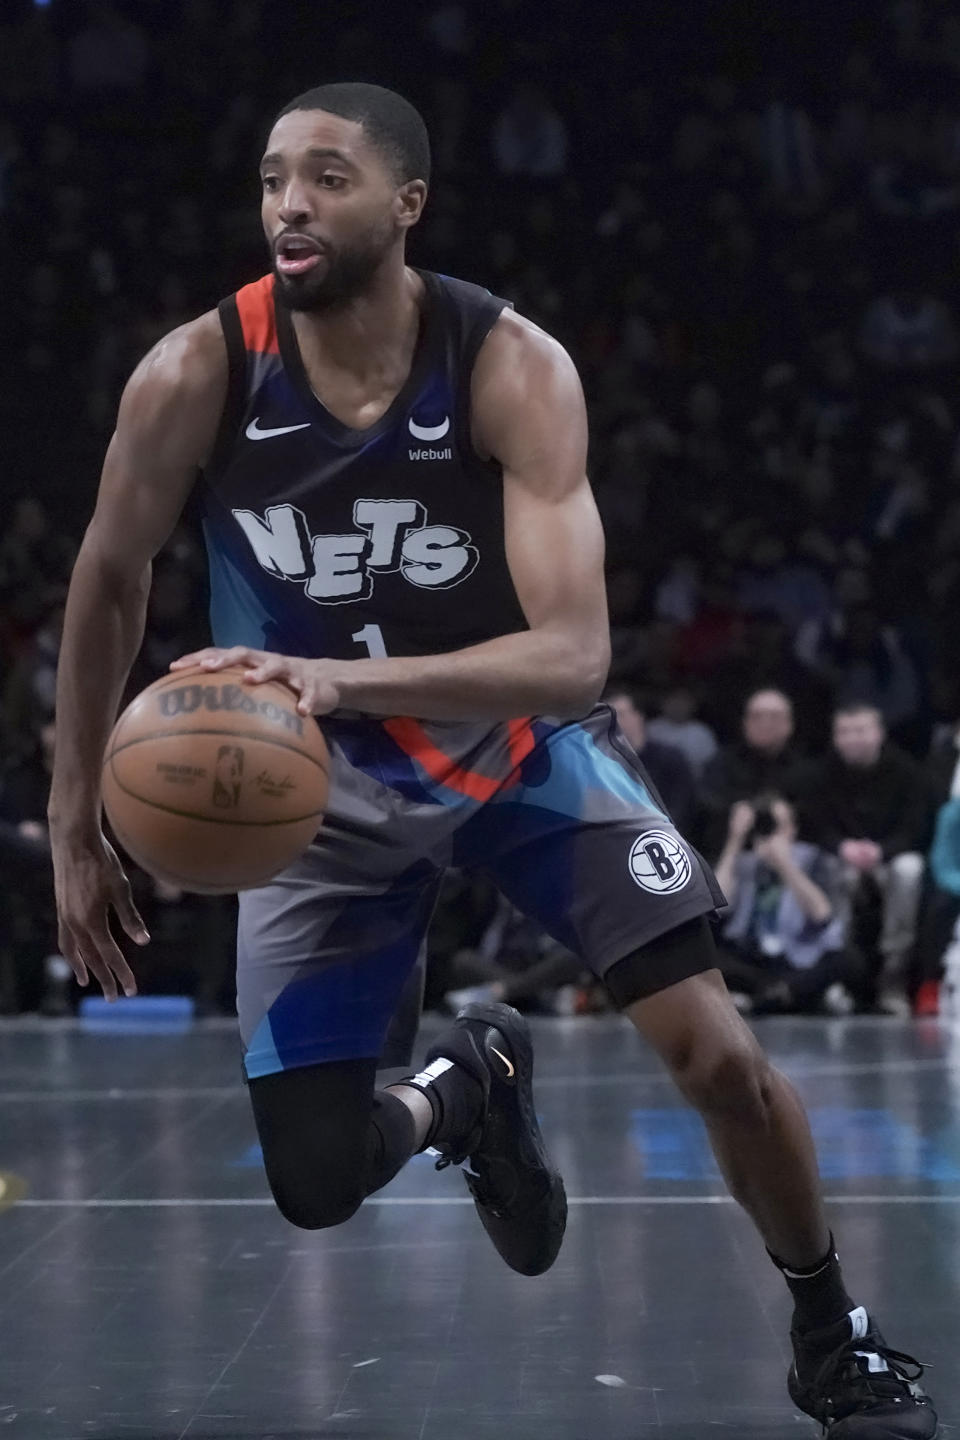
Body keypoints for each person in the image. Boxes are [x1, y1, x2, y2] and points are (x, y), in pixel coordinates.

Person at [47, 83, 935, 1434]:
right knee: (316, 1179)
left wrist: (341, 675)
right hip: (313, 795)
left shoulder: (511, 365)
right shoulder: (197, 372)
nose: (289, 202)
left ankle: (833, 1330)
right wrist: (70, 823)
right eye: (274, 178)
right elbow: (109, 578)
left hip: (517, 754)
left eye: (327, 177)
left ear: (407, 203)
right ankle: (472, 1089)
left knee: (719, 1057)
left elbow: (575, 653)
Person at [803, 704, 932, 1016]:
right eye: (844, 732)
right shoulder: (823, 773)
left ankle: (894, 974)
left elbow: (916, 827)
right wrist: (842, 847)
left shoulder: (906, 771)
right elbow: (815, 825)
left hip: (890, 856)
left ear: (879, 733)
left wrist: (881, 852)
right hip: (843, 856)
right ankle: (838, 975)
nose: (853, 739)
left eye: (860, 730)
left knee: (909, 871)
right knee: (831, 869)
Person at [713, 794, 866, 1015]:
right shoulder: (744, 862)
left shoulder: (813, 859)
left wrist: (785, 866)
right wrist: (735, 839)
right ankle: (783, 997)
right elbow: (717, 906)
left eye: (778, 827)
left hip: (797, 956)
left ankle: (762, 1000)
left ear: (792, 829)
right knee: (710, 958)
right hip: (753, 957)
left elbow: (822, 915)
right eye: (765, 827)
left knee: (847, 959)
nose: (770, 834)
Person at [697, 688, 811, 860]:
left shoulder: (806, 770)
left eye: (774, 717)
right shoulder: (721, 764)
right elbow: (708, 809)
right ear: (745, 722)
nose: (765, 724)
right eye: (756, 716)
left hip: (794, 858)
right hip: (728, 856)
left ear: (789, 724)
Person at [606, 685, 696, 830]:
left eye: (621, 715)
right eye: (609, 717)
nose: (613, 722)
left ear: (638, 716)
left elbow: (683, 809)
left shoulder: (670, 759)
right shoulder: (603, 763)